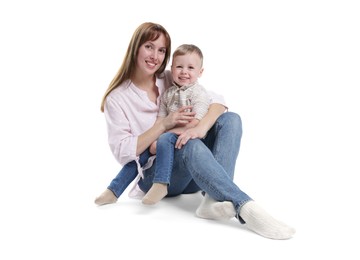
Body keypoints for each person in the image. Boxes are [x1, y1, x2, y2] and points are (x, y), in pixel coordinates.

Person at [94, 22, 295, 240]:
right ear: (135, 48)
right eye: (149, 47)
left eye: (161, 50)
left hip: (191, 173)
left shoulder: (170, 76)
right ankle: (245, 207)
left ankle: (211, 199)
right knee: (189, 143)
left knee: (231, 119)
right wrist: (163, 126)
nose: (155, 56)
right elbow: (123, 152)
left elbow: (217, 102)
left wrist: (199, 128)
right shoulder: (117, 98)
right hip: (156, 174)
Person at [141, 43, 210, 205]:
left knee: (165, 139)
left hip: (186, 139)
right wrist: (153, 141)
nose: (184, 72)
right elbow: (161, 120)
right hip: (168, 143)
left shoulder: (199, 93)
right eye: (179, 67)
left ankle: (161, 183)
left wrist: (166, 135)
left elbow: (195, 122)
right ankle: (115, 188)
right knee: (140, 155)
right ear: (171, 69)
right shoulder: (168, 94)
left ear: (200, 72)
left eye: (190, 68)